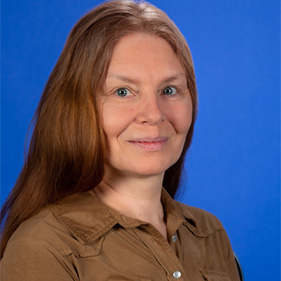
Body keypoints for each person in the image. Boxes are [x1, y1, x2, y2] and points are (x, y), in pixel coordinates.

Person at [0, 0, 240, 280]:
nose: (153, 114)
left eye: (170, 89)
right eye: (123, 92)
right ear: (78, 107)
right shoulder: (44, 248)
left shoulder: (210, 234)